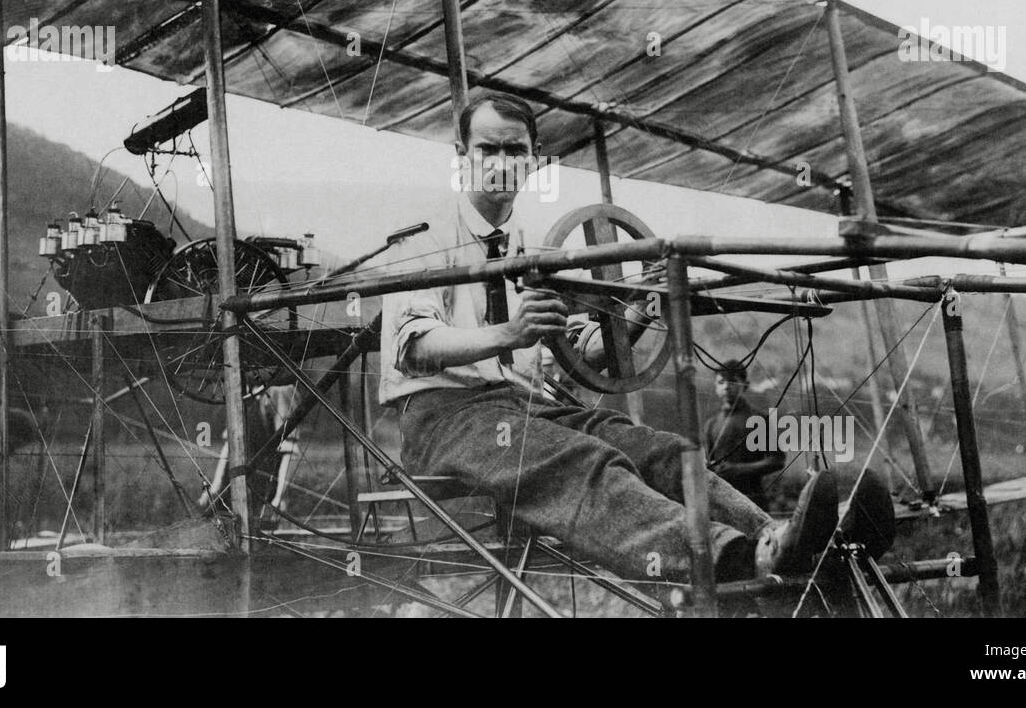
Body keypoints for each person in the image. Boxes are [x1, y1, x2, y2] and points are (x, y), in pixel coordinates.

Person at [381, 92, 890, 586]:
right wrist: (510, 332)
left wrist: (643, 314)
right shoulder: (423, 234)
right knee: (580, 460)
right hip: (442, 418)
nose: (501, 163)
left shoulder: (531, 244)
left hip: (523, 406)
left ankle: (781, 539)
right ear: (461, 156)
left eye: (515, 151)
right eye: (487, 148)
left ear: (533, 161)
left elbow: (575, 353)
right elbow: (417, 349)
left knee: (661, 450)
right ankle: (735, 558)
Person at [703, 360, 783, 512]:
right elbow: (709, 464)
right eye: (721, 382)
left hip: (753, 501)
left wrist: (738, 469)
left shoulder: (758, 419)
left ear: (744, 385)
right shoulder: (711, 425)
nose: (726, 386)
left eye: (733, 381)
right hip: (721, 504)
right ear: (715, 387)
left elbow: (776, 460)